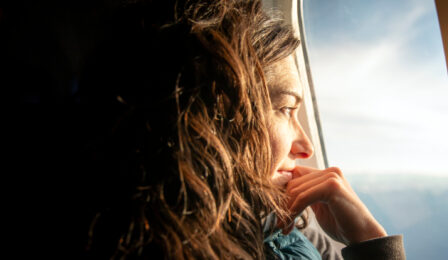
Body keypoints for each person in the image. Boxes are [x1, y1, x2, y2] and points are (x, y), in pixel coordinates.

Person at [79, 0, 405, 259]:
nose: (306, 147)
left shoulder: (292, 222)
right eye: (286, 109)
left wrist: (368, 239)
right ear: (214, 118)